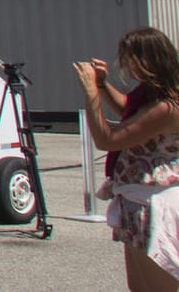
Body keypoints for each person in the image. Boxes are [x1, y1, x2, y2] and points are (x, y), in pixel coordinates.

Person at [76, 27, 179, 291]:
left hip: (156, 207)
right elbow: (127, 110)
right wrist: (101, 85)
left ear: (148, 60)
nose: (127, 65)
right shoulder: (152, 95)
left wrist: (90, 94)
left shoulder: (167, 107)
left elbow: (107, 140)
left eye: (131, 58)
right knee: (139, 287)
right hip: (138, 204)